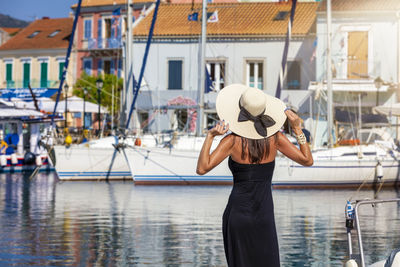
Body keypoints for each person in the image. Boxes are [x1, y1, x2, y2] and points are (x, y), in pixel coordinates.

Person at [196, 84, 313, 267]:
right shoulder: (275, 139)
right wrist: (297, 129)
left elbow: (202, 168)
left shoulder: (232, 141)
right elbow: (307, 160)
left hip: (237, 215)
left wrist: (210, 136)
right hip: (264, 214)